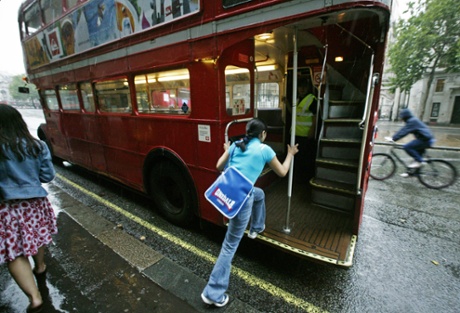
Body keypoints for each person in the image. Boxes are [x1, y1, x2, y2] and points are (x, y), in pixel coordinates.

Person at [201, 118, 298, 307]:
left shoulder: (237, 145)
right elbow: (283, 172)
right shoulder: (265, 150)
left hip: (232, 192)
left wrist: (227, 151)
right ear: (263, 134)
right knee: (229, 245)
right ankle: (213, 293)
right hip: (242, 198)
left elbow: (219, 167)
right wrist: (290, 154)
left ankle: (256, 227)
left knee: (259, 194)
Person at [0, 104, 58, 313]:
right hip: (34, 203)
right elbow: (47, 176)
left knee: (13, 252)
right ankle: (40, 266)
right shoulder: (38, 146)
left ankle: (34, 298)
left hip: (6, 207)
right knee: (37, 236)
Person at [385, 108, 435, 173]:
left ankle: (420, 162)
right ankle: (411, 173)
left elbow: (404, 131)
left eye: (402, 117)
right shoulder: (412, 120)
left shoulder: (412, 121)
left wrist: (393, 138)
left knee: (407, 147)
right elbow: (404, 130)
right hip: (426, 139)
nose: (402, 119)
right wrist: (394, 138)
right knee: (415, 157)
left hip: (425, 140)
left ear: (405, 117)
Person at [293, 78, 318, 181]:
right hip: (296, 134)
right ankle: (298, 178)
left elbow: (315, 117)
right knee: (298, 158)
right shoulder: (298, 99)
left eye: (304, 87)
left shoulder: (312, 99)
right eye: (300, 87)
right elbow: (296, 115)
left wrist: (312, 131)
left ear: (308, 88)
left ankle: (305, 179)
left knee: (305, 159)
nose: (302, 89)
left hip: (306, 135)